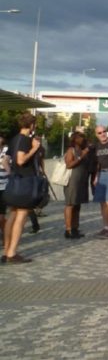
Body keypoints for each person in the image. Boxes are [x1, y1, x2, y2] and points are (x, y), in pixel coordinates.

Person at [2, 112, 40, 264]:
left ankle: (6, 251)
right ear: (31, 125)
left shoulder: (14, 139)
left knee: (12, 215)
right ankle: (12, 253)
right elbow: (21, 159)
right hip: (25, 182)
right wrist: (34, 148)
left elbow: (5, 160)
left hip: (15, 181)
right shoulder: (25, 140)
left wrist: (12, 173)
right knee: (22, 216)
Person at [63, 131, 93, 239]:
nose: (82, 140)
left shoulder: (82, 150)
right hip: (72, 181)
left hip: (81, 181)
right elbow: (69, 164)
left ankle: (75, 227)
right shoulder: (71, 150)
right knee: (70, 204)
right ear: (74, 140)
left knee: (77, 205)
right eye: (80, 138)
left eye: (83, 138)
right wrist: (81, 156)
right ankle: (68, 229)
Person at [0, 137, 10, 242]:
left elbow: (10, 170)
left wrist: (6, 166)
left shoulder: (6, 155)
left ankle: (5, 234)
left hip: (3, 188)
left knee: (1, 217)